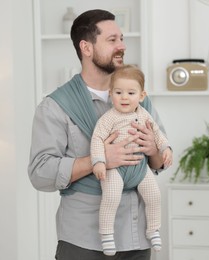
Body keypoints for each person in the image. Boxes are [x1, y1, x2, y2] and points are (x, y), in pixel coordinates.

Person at [28, 9, 167, 260]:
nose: (122, 46)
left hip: (137, 236)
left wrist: (154, 150)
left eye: (122, 39)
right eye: (112, 40)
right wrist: (98, 160)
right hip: (84, 240)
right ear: (86, 47)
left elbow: (158, 162)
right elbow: (40, 173)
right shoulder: (55, 106)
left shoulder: (137, 99)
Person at [91, 65, 172, 256]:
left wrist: (165, 148)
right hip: (116, 170)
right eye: (119, 92)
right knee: (110, 198)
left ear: (141, 96)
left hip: (140, 168)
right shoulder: (108, 118)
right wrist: (99, 162)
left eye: (130, 93)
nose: (124, 97)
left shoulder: (143, 114)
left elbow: (157, 133)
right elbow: (97, 139)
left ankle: (153, 229)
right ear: (111, 94)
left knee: (154, 196)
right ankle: (107, 235)